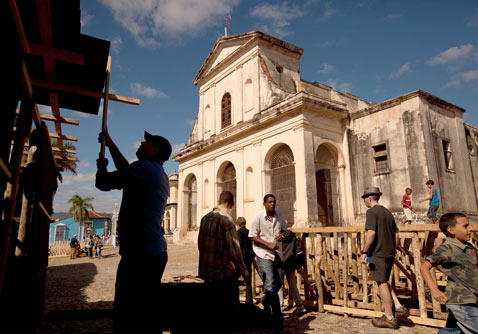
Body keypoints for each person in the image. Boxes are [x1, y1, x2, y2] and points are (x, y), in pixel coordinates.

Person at [96, 129, 171, 334]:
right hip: (152, 252)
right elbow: (126, 169)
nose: (141, 143)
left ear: (154, 150)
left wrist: (101, 167)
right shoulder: (154, 171)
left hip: (141, 255)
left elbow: (103, 183)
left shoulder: (145, 169)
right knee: (145, 311)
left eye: (146, 143)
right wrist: (110, 144)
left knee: (128, 314)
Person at [198, 191, 250, 333]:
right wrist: (245, 271)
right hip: (222, 274)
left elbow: (200, 244)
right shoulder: (226, 220)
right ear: (231, 204)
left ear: (218, 201)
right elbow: (234, 249)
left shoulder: (205, 218)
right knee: (228, 311)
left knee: (212, 311)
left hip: (207, 273)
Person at [359, 187, 409, 329]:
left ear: (369, 198)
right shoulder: (387, 212)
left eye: (364, 199)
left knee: (381, 283)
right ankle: (398, 306)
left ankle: (389, 317)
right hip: (389, 252)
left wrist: (364, 251)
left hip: (378, 253)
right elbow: (396, 235)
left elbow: (371, 233)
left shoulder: (371, 212)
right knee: (385, 279)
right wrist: (393, 249)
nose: (364, 202)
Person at [421, 213, 478, 334]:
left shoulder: (468, 247)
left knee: (453, 331)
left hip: (471, 299)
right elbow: (425, 267)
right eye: (465, 226)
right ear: (451, 230)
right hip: (462, 301)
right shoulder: (447, 248)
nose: (470, 229)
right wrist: (435, 290)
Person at [249, 194, 287, 329]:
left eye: (274, 202)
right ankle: (276, 317)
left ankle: (265, 300)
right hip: (263, 253)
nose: (272, 204)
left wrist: (281, 235)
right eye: (270, 202)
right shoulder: (258, 217)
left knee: (279, 282)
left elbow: (284, 229)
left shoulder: (279, 215)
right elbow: (252, 236)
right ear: (264, 203)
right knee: (270, 284)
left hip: (277, 253)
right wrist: (267, 245)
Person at [279, 230, 306, 315]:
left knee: (279, 286)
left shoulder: (278, 237)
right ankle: (300, 305)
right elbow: (297, 248)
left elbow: (276, 249)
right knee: (293, 284)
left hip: (281, 263)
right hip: (291, 262)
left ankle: (279, 305)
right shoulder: (292, 235)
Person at [236, 216, 255, 305]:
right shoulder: (249, 233)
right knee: (248, 282)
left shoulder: (238, 233)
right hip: (248, 259)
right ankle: (249, 301)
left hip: (241, 260)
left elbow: (238, 246)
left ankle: (235, 300)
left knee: (235, 281)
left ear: (238, 224)